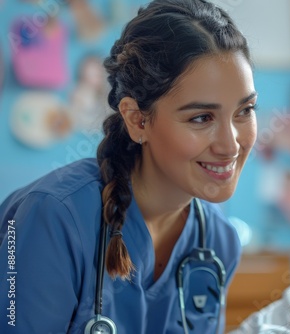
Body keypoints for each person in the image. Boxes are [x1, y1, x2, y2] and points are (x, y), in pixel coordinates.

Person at [0, 0, 257, 333]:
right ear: (137, 121)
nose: (231, 144)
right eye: (202, 118)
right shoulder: (53, 217)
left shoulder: (218, 242)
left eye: (245, 111)